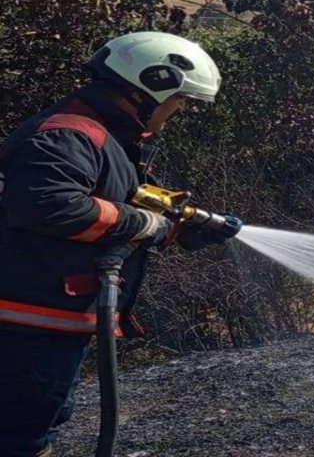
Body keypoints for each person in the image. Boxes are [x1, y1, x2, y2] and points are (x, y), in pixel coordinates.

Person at [0, 31, 233, 457]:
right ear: (149, 86)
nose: (179, 109)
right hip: (26, 327)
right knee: (19, 438)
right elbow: (46, 206)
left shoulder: (105, 138)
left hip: (51, 322)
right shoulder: (67, 135)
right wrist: (142, 223)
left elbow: (110, 205)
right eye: (179, 98)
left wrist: (178, 228)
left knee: (37, 427)